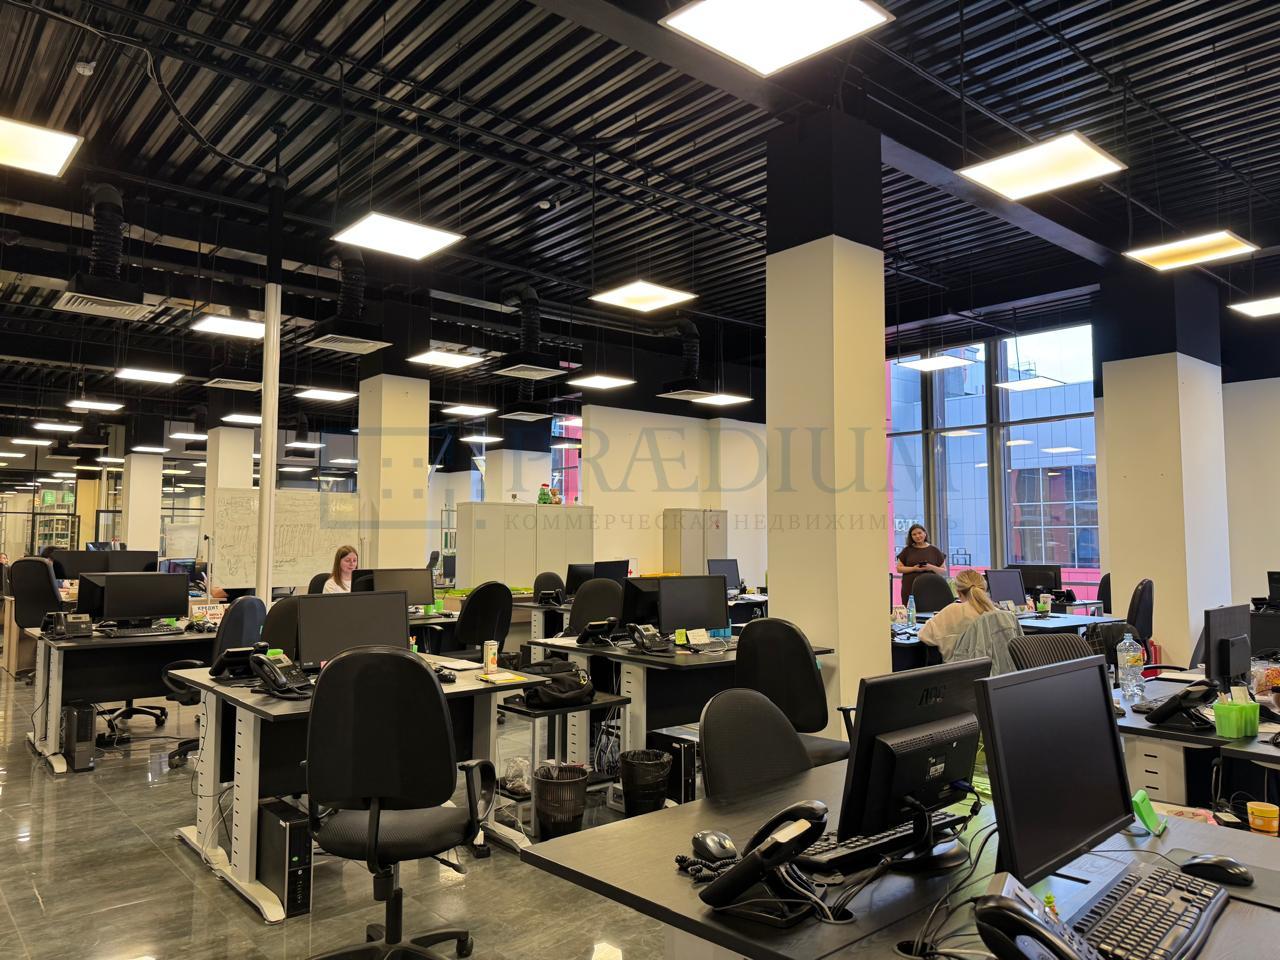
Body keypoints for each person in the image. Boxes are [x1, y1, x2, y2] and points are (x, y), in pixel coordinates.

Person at [918, 568, 995, 660]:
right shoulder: (998, 613)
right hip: (996, 668)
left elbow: (923, 635)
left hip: (960, 668)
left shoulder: (953, 611)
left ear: (958, 592)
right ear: (984, 590)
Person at [895, 523, 947, 605]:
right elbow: (899, 568)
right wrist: (914, 568)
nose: (917, 536)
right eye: (914, 534)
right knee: (910, 610)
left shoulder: (934, 550)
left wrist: (930, 567)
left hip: (929, 589)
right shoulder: (907, 550)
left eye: (919, 533)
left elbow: (944, 571)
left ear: (925, 533)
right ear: (911, 537)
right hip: (909, 589)